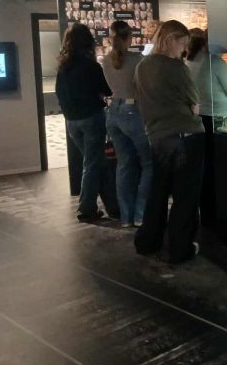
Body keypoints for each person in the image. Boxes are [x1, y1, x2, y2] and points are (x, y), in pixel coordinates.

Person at [134, 20, 205, 263]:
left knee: (158, 192)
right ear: (170, 39)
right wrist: (192, 108)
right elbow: (194, 99)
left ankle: (148, 241)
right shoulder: (176, 67)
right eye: (183, 43)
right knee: (185, 195)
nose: (184, 49)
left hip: (157, 136)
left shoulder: (142, 66)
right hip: (185, 135)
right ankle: (180, 247)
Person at [55, 23, 118, 222]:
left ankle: (113, 207)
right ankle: (86, 208)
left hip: (72, 121)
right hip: (92, 118)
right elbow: (107, 90)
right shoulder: (91, 66)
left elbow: (59, 93)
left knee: (97, 163)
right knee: (92, 164)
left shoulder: (63, 67)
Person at [101, 21, 153, 228]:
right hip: (132, 111)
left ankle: (126, 217)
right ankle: (140, 214)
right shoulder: (138, 59)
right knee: (148, 163)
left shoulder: (106, 60)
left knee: (124, 165)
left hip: (113, 112)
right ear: (129, 37)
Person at [186, 29, 227, 225]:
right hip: (222, 117)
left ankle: (208, 212)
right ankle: (225, 210)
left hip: (203, 116)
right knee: (224, 168)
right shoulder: (215, 62)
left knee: (207, 167)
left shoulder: (189, 62)